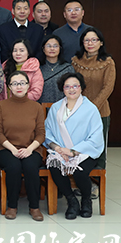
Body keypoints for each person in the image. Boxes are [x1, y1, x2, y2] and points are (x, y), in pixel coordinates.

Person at [45, 72, 104, 219]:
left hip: (85, 151)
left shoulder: (90, 109)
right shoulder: (55, 108)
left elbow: (96, 137)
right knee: (54, 167)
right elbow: (48, 131)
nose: (71, 89)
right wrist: (58, 149)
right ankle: (71, 201)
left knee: (79, 172)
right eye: (67, 86)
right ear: (62, 89)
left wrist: (73, 151)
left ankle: (86, 200)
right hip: (60, 150)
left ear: (81, 88)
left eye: (75, 86)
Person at [0, 71, 46, 221]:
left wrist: (29, 149)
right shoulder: (1, 106)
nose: (19, 87)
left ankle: (34, 207)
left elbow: (41, 133)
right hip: (5, 148)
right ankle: (12, 206)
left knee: (30, 166)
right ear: (9, 87)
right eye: (15, 84)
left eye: (22, 83)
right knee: (14, 166)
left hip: (31, 148)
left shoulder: (36, 107)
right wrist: (13, 149)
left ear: (28, 85)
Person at [71, 27, 115, 168]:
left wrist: (91, 108)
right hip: (78, 111)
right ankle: (79, 175)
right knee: (79, 145)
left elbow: (108, 88)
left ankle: (98, 177)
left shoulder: (108, 62)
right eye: (87, 40)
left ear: (101, 42)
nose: (90, 43)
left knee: (98, 146)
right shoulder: (75, 61)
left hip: (100, 112)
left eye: (94, 40)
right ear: (82, 43)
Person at [39, 35, 74, 104]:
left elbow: (72, 90)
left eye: (55, 46)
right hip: (41, 107)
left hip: (63, 106)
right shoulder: (38, 68)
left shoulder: (68, 68)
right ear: (43, 49)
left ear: (60, 48)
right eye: (48, 46)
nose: (52, 49)